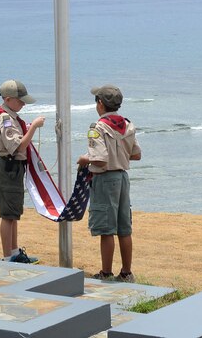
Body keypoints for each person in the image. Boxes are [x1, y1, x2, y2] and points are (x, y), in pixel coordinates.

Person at [77, 85, 141, 282]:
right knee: (124, 227)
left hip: (105, 179)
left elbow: (100, 160)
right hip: (123, 177)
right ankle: (126, 272)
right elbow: (136, 154)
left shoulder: (97, 129)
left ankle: (106, 272)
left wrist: (84, 159)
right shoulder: (127, 125)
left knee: (106, 229)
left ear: (100, 104)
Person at [0, 79, 46, 264]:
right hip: (9, 166)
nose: (23, 103)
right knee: (8, 214)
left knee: (14, 212)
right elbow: (18, 146)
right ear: (8, 100)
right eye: (20, 100)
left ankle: (15, 253)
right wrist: (33, 127)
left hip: (15, 168)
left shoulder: (12, 117)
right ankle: (8, 257)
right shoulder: (5, 119)